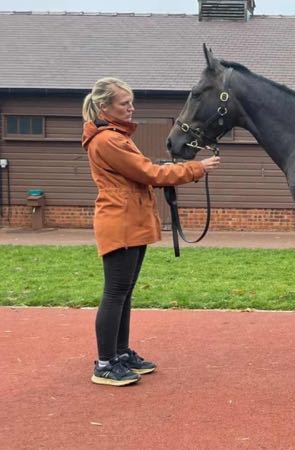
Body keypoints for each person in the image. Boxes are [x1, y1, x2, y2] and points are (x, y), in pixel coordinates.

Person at [82, 77, 221, 386]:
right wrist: (197, 168)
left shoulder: (116, 136)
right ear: (104, 107)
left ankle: (119, 354)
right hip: (120, 221)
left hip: (130, 219)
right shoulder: (109, 140)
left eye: (131, 102)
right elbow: (150, 173)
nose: (131, 108)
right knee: (115, 292)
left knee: (124, 292)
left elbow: (142, 170)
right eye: (124, 104)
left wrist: (171, 170)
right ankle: (105, 363)